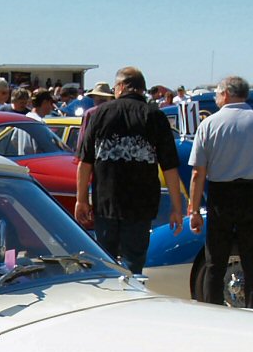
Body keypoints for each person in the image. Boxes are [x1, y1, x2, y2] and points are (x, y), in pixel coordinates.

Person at [74, 66, 187, 272]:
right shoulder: (155, 116)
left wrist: (81, 199)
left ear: (121, 87)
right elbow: (170, 167)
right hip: (140, 204)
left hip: (106, 201)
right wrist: (177, 208)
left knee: (105, 264)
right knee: (134, 264)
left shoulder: (99, 115)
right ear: (141, 89)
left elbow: (85, 163)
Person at [186, 75, 253, 307]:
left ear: (226, 94)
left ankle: (212, 310)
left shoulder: (208, 124)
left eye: (217, 94)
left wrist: (194, 209)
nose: (216, 98)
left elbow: (198, 173)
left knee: (215, 262)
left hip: (221, 195)